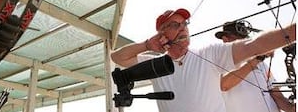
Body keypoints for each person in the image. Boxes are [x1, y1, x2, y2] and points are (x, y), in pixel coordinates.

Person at [111, 8, 296, 112]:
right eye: (175, 25)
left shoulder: (209, 54)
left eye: (184, 24)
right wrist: (147, 45)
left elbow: (253, 46)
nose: (183, 28)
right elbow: (118, 58)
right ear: (162, 33)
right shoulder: (155, 65)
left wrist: (292, 32)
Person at [215, 21, 295, 112]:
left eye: (245, 39)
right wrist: (257, 59)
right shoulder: (220, 62)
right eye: (224, 38)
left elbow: (276, 95)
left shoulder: (261, 64)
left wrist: (291, 108)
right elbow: (224, 85)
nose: (224, 40)